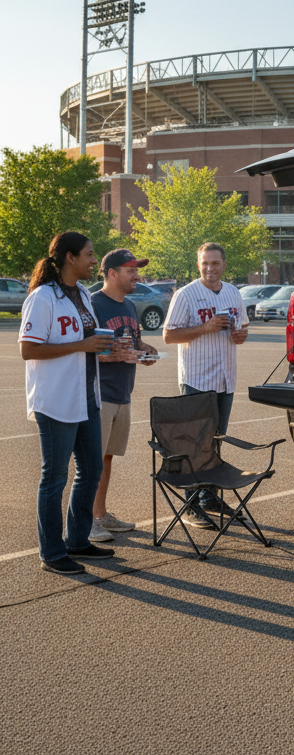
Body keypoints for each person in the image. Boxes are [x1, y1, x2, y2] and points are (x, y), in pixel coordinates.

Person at [19, 232, 128, 575]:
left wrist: (110, 348)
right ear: (70, 257)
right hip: (56, 399)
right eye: (89, 254)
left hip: (87, 396)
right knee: (54, 478)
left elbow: (87, 341)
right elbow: (28, 349)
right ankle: (52, 553)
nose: (94, 260)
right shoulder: (42, 297)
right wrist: (82, 346)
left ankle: (77, 541)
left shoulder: (82, 293)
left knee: (91, 469)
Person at [163, 242, 249, 529]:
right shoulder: (186, 294)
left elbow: (243, 328)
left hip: (225, 378)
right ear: (198, 265)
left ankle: (209, 498)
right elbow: (168, 336)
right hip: (197, 379)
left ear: (224, 264)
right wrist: (205, 327)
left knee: (216, 441)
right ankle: (190, 505)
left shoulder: (233, 292)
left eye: (215, 263)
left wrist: (240, 336)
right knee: (193, 444)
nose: (210, 268)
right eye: (205, 263)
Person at [88, 248, 160, 543]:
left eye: (137, 270)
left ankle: (100, 514)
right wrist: (111, 355)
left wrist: (146, 351)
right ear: (112, 273)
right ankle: (86, 521)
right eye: (131, 271)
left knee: (106, 458)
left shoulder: (129, 305)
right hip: (99, 394)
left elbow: (134, 340)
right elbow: (83, 348)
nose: (137, 276)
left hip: (122, 393)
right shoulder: (92, 304)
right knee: (91, 462)